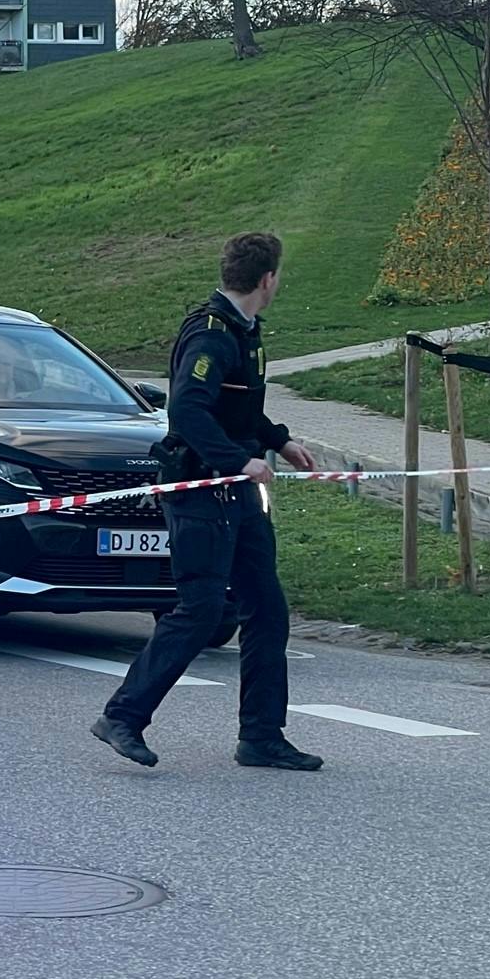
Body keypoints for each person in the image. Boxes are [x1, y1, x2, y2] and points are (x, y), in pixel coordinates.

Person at [92, 232, 324, 772]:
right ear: (268, 280)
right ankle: (122, 716)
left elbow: (238, 409)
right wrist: (238, 461)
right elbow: (189, 412)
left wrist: (279, 440)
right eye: (279, 276)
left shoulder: (245, 332)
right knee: (200, 611)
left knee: (266, 609)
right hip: (201, 492)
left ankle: (262, 737)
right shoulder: (213, 336)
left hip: (236, 495)